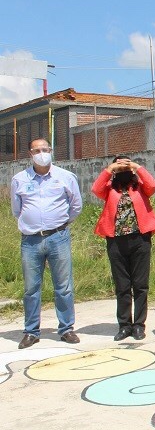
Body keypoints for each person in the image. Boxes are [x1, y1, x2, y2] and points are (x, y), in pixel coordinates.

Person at [11, 138, 83, 348]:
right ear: (30, 154)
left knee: (64, 286)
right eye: (37, 150)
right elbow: (17, 209)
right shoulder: (19, 179)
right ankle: (31, 331)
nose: (42, 153)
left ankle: (66, 328)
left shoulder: (66, 177)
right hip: (31, 240)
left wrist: (60, 223)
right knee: (31, 288)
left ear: (51, 151)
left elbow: (76, 206)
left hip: (58, 237)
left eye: (45, 149)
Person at [92, 155, 155, 341]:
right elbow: (96, 189)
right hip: (116, 241)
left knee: (140, 285)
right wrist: (110, 169)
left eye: (126, 165)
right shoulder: (109, 188)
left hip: (140, 239)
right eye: (119, 166)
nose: (123, 168)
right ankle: (124, 325)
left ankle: (139, 325)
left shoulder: (140, 187)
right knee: (122, 286)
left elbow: (153, 185)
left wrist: (136, 166)